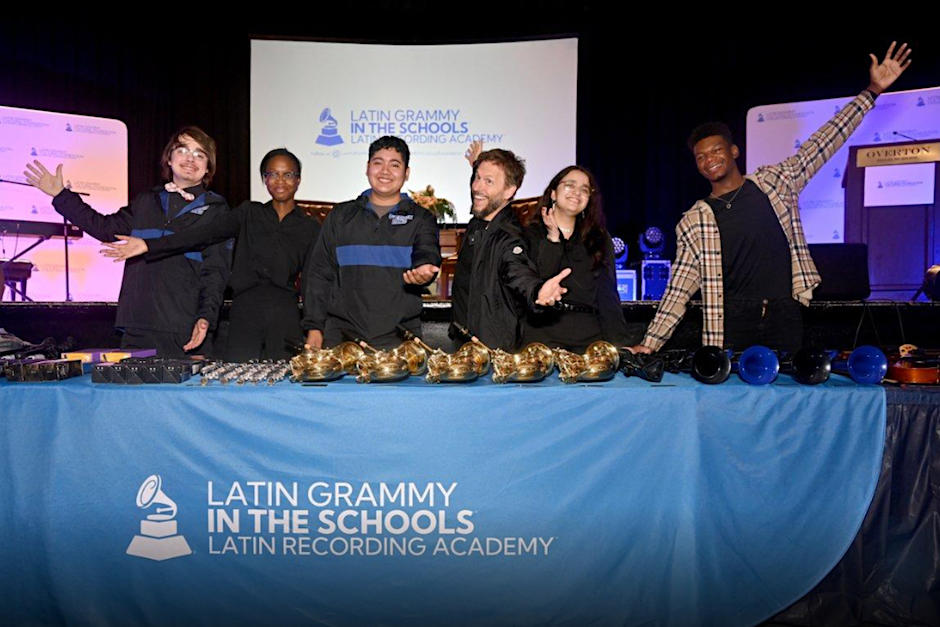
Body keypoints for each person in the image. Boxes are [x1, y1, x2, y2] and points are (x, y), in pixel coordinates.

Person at [631, 42, 912, 355]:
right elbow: (679, 288)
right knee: (734, 401)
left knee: (787, 400)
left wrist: (871, 91)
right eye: (700, 157)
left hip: (784, 314)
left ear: (734, 151)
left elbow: (825, 142)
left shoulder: (776, 183)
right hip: (731, 322)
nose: (709, 159)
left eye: (716, 150)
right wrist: (648, 344)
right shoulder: (695, 220)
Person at [24, 126, 231, 357]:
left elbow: (216, 272)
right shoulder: (146, 201)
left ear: (207, 169)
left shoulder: (216, 210)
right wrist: (61, 196)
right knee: (134, 393)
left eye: (200, 154)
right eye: (183, 150)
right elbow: (104, 228)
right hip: (137, 324)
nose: (191, 159)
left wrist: (206, 318)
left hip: (184, 326)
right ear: (169, 159)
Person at [100, 149, 320, 361]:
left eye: (288, 174)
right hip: (244, 312)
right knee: (234, 385)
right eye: (272, 174)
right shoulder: (248, 213)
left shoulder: (310, 228)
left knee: (284, 386)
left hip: (286, 314)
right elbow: (202, 234)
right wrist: (150, 245)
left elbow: (313, 282)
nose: (280, 180)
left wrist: (314, 327)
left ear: (298, 180)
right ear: (264, 179)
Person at [301, 136, 441, 349]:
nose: (385, 171)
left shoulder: (421, 218)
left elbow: (426, 252)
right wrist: (314, 327)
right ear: (367, 168)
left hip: (401, 344)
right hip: (342, 341)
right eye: (378, 163)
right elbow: (319, 274)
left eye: (394, 165)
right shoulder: (340, 216)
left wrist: (423, 270)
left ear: (407, 173)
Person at [449, 148, 570, 350]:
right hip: (465, 344)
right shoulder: (479, 222)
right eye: (477, 178)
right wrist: (477, 165)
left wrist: (537, 292)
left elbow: (519, 272)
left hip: (492, 353)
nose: (477, 187)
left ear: (509, 191)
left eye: (488, 181)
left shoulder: (509, 237)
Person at [522, 166, 628, 352]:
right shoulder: (528, 235)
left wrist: (621, 346)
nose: (577, 193)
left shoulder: (599, 238)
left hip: (588, 341)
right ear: (553, 193)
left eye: (584, 190)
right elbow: (534, 284)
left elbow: (607, 296)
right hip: (541, 339)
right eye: (570, 185)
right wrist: (552, 239)